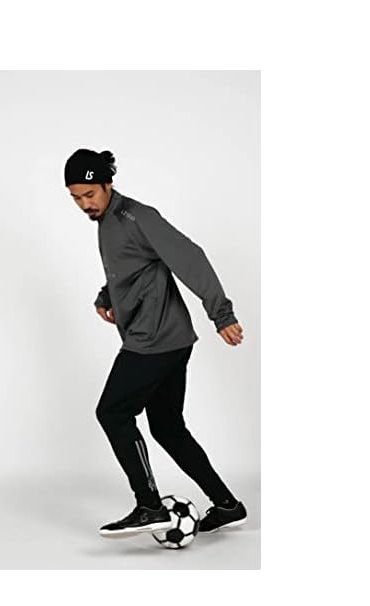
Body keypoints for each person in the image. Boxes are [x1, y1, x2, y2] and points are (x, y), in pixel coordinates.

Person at [64, 148, 248, 539]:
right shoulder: (107, 220)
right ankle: (228, 505)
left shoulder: (137, 217)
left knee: (113, 412)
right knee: (167, 427)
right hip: (169, 339)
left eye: (90, 194)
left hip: (155, 339)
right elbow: (130, 266)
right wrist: (107, 296)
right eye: (76, 198)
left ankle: (149, 506)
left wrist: (222, 314)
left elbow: (190, 257)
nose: (84, 204)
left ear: (108, 184)